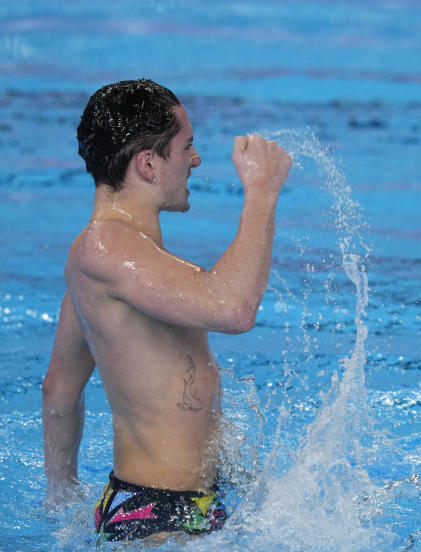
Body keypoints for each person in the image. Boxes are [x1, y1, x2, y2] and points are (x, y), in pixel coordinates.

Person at [41, 79, 292, 541]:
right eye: (187, 146)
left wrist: (62, 500)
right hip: (160, 518)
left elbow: (59, 388)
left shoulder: (104, 255)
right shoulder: (106, 249)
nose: (195, 160)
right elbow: (233, 309)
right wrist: (261, 192)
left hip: (166, 509)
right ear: (149, 164)